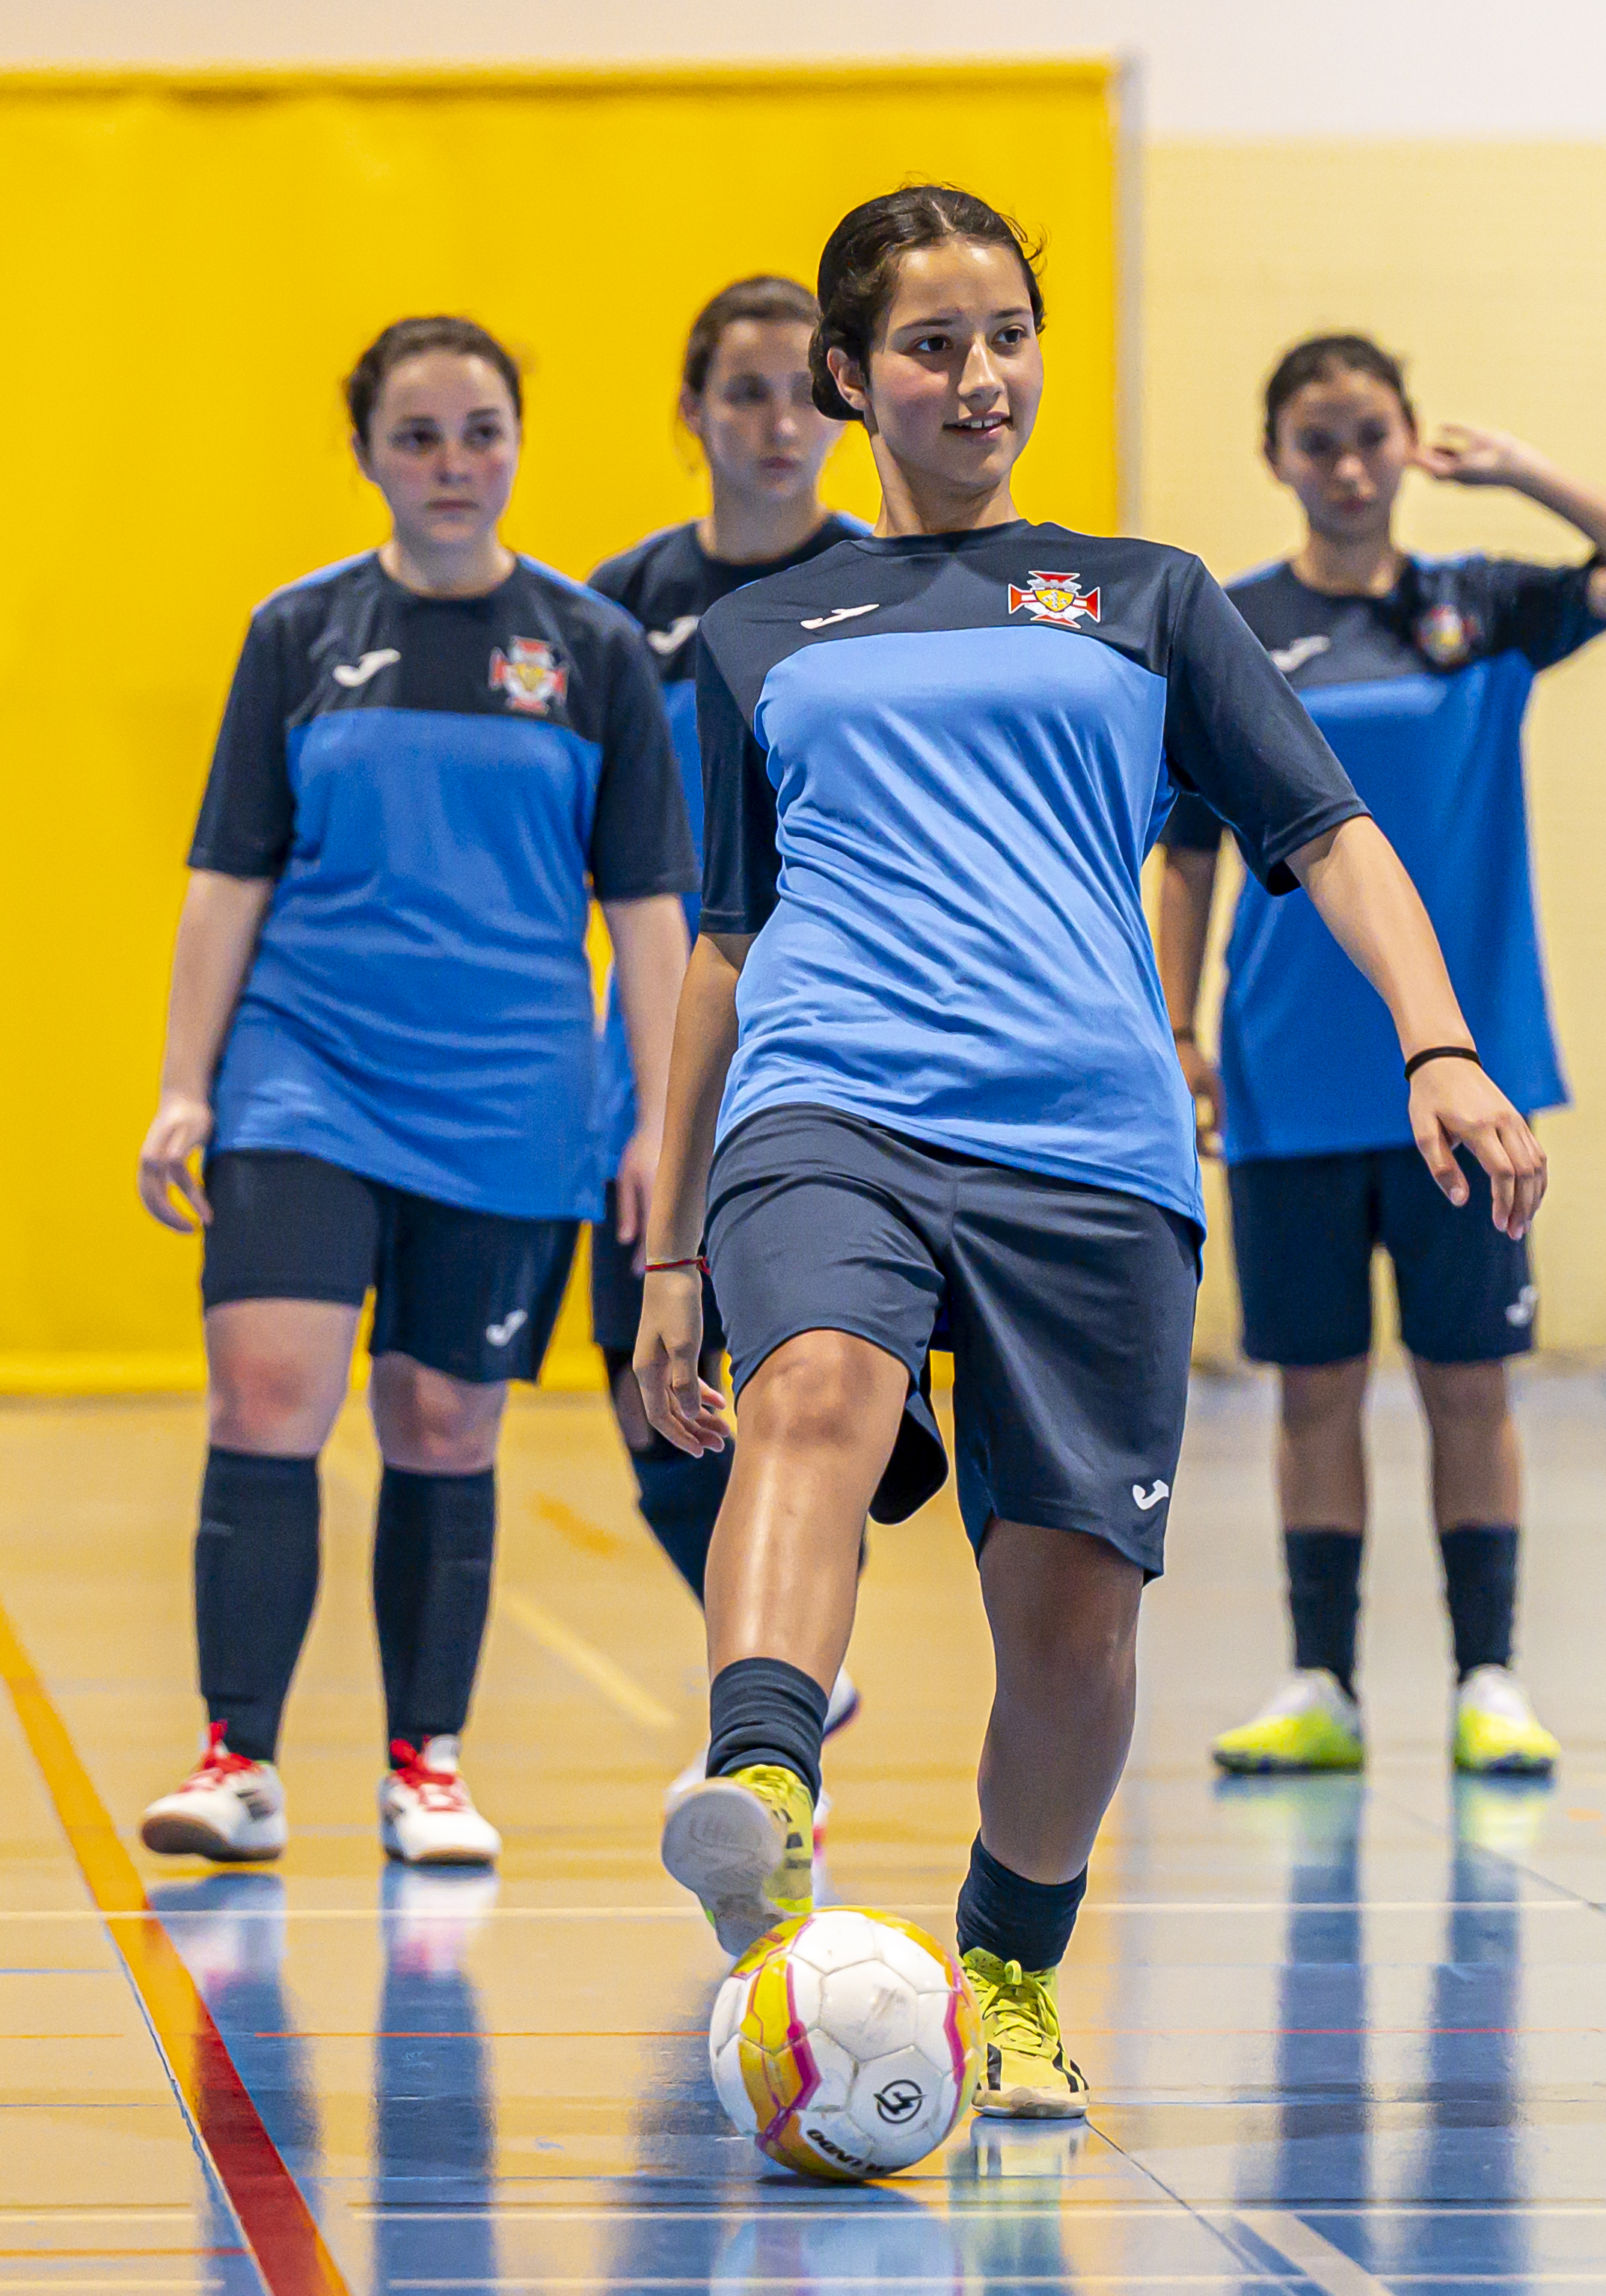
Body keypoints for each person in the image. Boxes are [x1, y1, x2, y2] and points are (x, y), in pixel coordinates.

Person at [631, 186, 1547, 2119]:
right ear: (849, 382)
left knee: (1071, 1614)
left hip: (1086, 1141)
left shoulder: (1149, 596)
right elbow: (724, 936)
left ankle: (1006, 1969)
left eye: (1005, 337)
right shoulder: (754, 629)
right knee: (813, 1386)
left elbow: (1328, 831)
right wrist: (665, 1233)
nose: (977, 377)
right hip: (835, 1094)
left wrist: (1439, 1043)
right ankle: (765, 1782)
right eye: (931, 345)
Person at [132, 315, 694, 1865]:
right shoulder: (297, 634)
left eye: (481, 432)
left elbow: (648, 907)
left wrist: (658, 1118)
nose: (452, 463)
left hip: (512, 1097)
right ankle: (236, 1756)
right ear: (369, 449)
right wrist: (187, 1087)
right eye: (418, 435)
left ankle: (423, 1762)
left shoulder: (591, 655)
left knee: (446, 1422)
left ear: (519, 443)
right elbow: (224, 875)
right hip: (303, 1075)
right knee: (269, 1394)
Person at [1159, 332, 1606, 1782]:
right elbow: (1189, 853)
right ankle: (1321, 1679)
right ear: (1276, 455)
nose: (1345, 466)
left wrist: (1520, 470)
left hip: (1468, 1072)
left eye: (1368, 435)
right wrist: (1179, 1029)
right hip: (1285, 1072)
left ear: (1407, 442)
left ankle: (1487, 1674)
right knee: (1313, 1384)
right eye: (1316, 440)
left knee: (1470, 1380)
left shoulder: (1480, 603)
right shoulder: (1227, 621)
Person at [582, 277, 872, 1791]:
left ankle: (771, 1721)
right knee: (652, 1398)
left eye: (798, 396)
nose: (775, 427)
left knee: (805, 1395)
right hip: (657, 1049)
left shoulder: (882, 586)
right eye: (741, 394)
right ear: (691, 410)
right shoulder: (611, 607)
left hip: (822, 1047)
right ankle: (785, 1671)